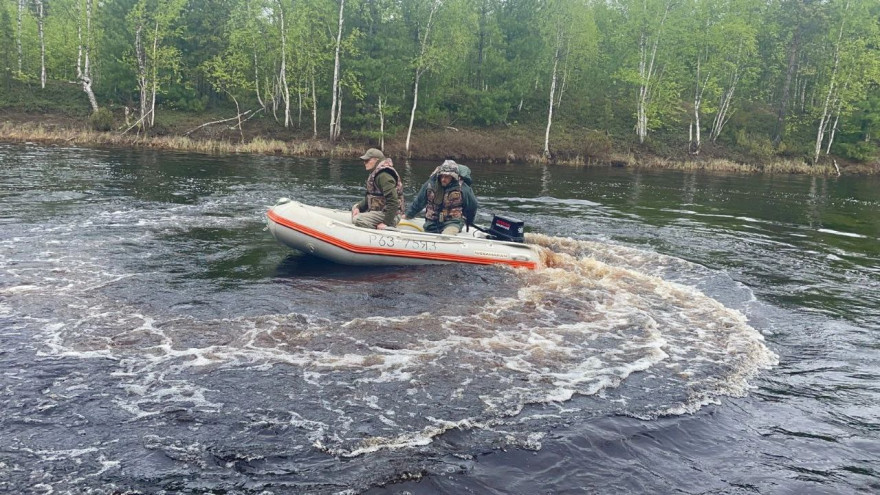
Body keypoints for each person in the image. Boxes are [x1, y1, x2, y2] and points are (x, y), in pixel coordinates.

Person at [403, 160, 478, 235]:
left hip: (453, 222)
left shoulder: (463, 188)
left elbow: (472, 206)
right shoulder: (430, 185)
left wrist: (469, 222)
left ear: (453, 177)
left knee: (446, 236)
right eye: (442, 176)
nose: (443, 179)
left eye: (447, 177)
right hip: (432, 223)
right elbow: (419, 202)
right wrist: (408, 215)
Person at [351, 148, 404, 230]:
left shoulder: (384, 176)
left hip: (391, 215)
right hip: (379, 211)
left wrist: (385, 223)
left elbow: (393, 201)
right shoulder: (376, 174)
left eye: (367, 160)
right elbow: (371, 196)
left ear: (376, 160)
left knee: (358, 219)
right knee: (355, 207)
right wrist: (359, 207)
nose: (364, 163)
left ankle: (382, 230)